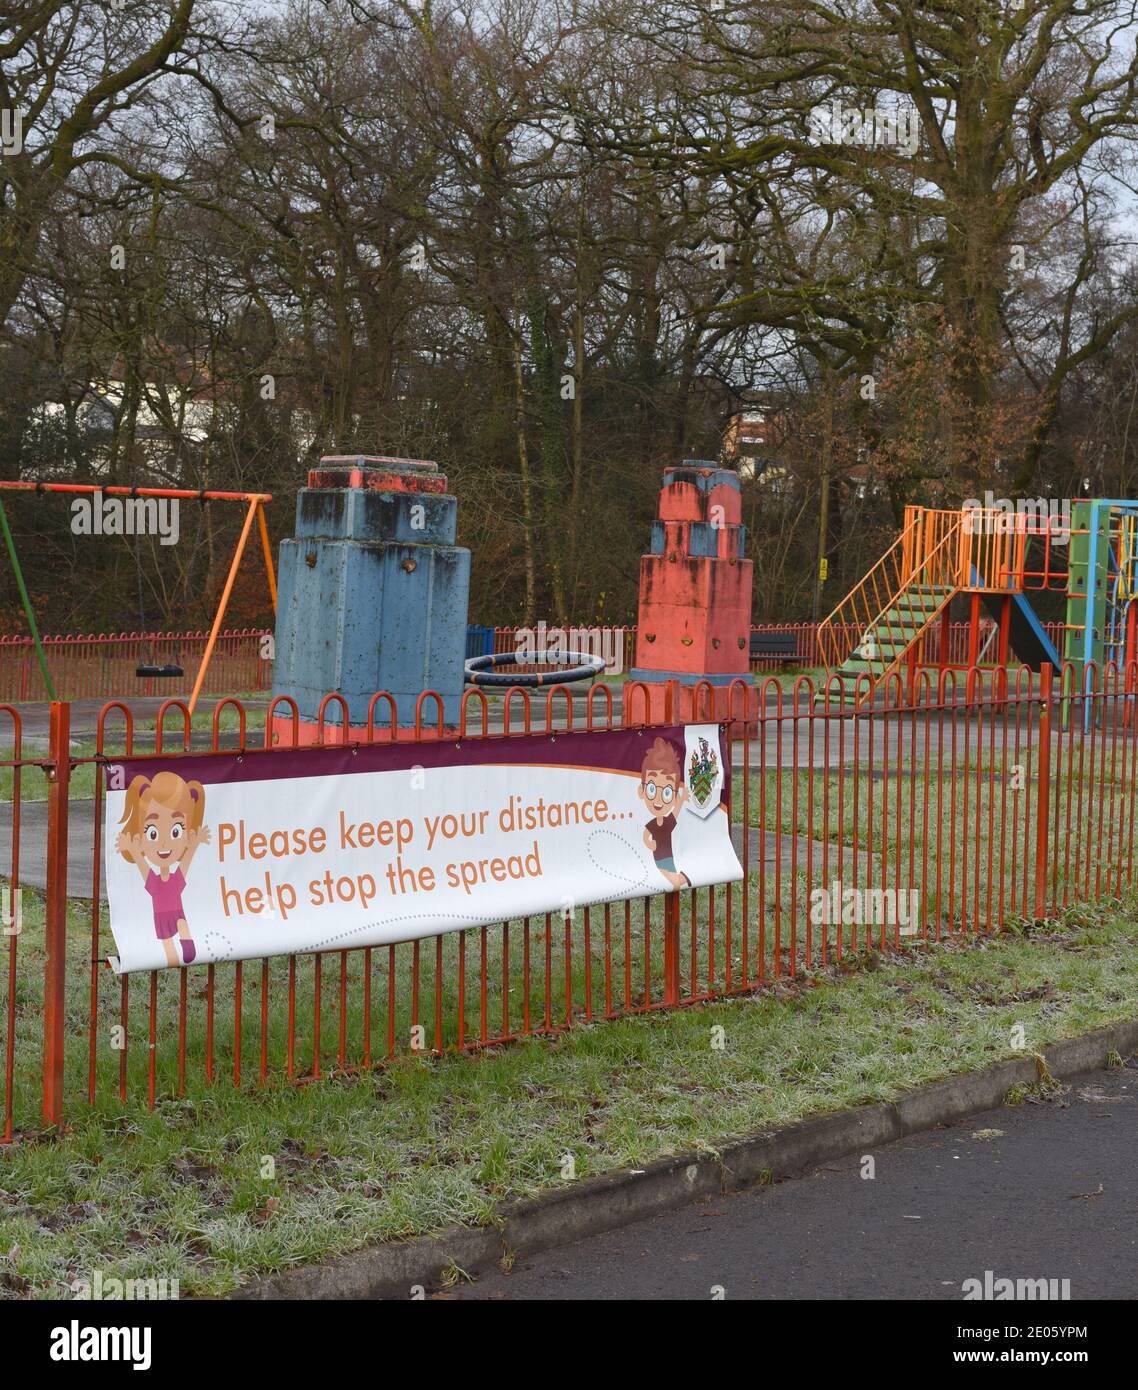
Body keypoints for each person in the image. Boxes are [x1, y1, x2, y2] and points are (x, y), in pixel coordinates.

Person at [115, 771, 210, 967]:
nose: (164, 842)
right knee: (167, 945)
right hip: (160, 917)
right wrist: (132, 849)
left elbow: (187, 860)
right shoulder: (154, 881)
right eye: (152, 832)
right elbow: (142, 865)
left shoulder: (175, 879)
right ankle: (174, 961)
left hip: (177, 913)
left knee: (182, 924)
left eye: (176, 831)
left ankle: (187, 942)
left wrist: (194, 843)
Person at [636, 737, 690, 890]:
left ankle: (684, 878)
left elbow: (676, 812)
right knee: (668, 878)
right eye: (652, 789)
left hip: (667, 857)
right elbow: (646, 834)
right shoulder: (654, 823)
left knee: (672, 881)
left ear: (674, 796)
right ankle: (683, 878)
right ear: (642, 790)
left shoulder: (668, 822)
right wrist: (648, 843)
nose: (658, 798)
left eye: (666, 792)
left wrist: (682, 800)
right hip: (658, 857)